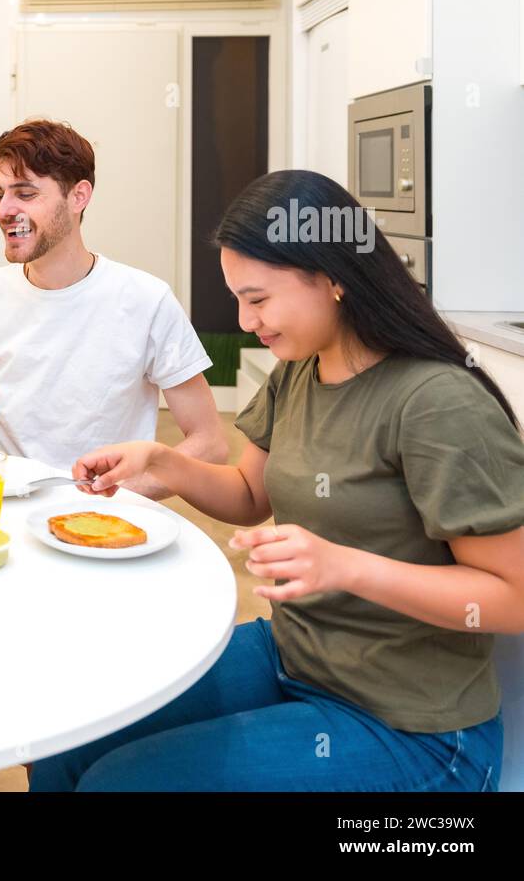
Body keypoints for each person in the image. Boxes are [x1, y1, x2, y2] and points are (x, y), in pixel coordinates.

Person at [31, 169, 524, 791]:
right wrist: (163, 462)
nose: (244, 321)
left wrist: (345, 567)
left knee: (123, 784)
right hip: (298, 654)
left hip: (416, 732)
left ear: (334, 278)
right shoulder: (301, 368)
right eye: (238, 297)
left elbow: (513, 596)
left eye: (258, 299)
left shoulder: (435, 402)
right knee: (67, 735)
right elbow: (249, 495)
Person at [0, 119, 226, 497]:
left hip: (106, 522)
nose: (5, 209)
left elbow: (210, 444)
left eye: (25, 193)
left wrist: (121, 491)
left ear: (78, 196)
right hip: (4, 510)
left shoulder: (147, 300)